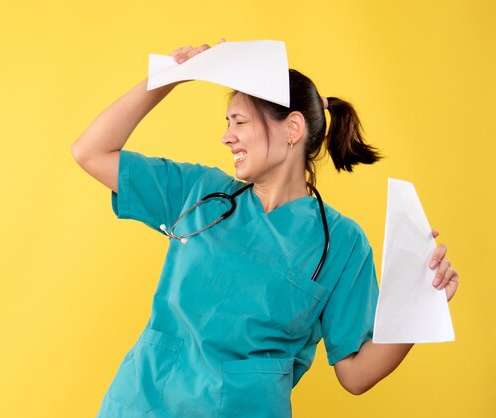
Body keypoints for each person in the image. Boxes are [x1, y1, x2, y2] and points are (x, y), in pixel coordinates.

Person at [71, 42, 459, 418]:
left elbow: (356, 374)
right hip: (143, 406)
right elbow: (90, 152)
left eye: (239, 122)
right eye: (227, 123)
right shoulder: (199, 191)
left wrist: (420, 304)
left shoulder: (340, 243)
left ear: (292, 129)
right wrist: (171, 78)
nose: (227, 135)